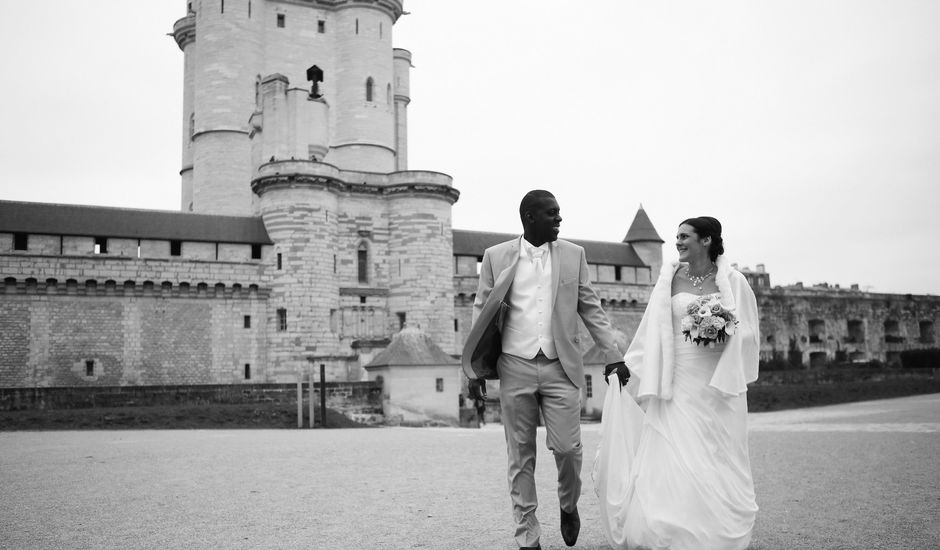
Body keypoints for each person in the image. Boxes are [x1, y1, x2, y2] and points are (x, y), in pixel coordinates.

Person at [462, 190, 627, 549]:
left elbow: (590, 307)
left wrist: (613, 353)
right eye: (552, 214)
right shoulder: (495, 256)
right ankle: (527, 534)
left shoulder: (574, 254)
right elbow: (481, 311)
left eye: (559, 213)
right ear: (529, 218)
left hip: (561, 366)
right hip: (513, 365)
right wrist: (472, 369)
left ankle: (569, 505)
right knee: (520, 454)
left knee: (568, 449)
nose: (559, 219)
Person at [594, 216, 760, 550]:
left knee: (715, 450)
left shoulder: (735, 281)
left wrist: (722, 331)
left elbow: (750, 332)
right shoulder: (668, 279)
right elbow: (651, 329)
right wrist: (629, 366)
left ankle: (713, 525)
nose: (678, 242)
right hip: (678, 377)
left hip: (716, 379)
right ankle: (666, 525)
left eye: (685, 236)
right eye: (676, 237)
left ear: (707, 240)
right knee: (671, 447)